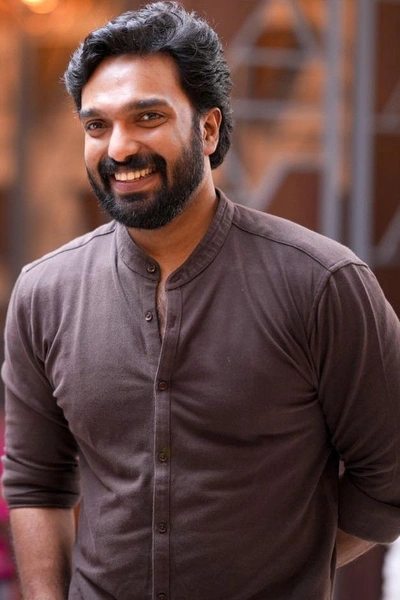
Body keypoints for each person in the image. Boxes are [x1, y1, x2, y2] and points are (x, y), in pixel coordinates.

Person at [2, 2, 400, 599]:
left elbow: (390, 477)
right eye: (97, 125)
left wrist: (292, 564)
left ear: (208, 129)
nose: (118, 148)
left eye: (148, 117)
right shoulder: (44, 293)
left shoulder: (322, 284)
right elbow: (36, 482)